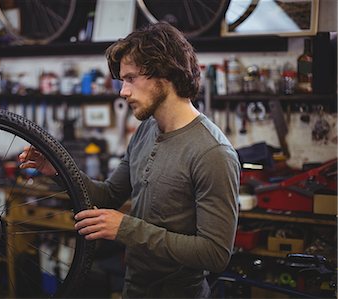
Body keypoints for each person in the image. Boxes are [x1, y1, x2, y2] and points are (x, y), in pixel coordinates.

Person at [19, 22, 240, 298]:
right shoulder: (147, 129)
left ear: (165, 73)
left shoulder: (212, 152)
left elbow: (215, 254)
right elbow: (109, 195)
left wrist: (127, 228)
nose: (123, 91)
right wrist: (56, 168)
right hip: (134, 288)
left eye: (131, 78)